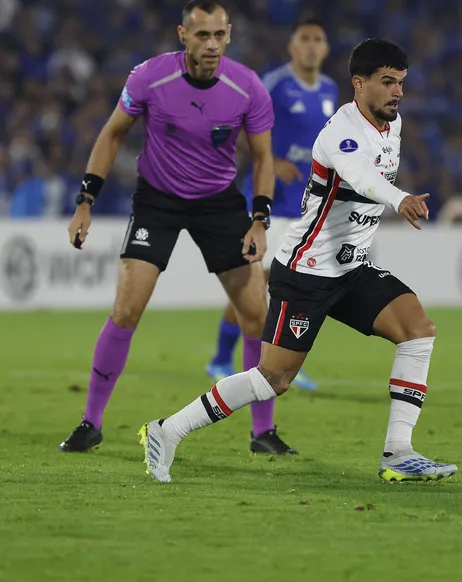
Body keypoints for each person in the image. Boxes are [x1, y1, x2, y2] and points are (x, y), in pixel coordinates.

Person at [138, 38, 459, 483]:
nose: (397, 92)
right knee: (273, 378)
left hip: (350, 268)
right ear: (359, 83)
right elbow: (362, 178)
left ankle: (398, 452)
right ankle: (167, 430)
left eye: (401, 83)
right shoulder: (340, 134)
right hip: (306, 273)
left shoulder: (393, 123)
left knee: (418, 330)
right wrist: (399, 197)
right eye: (387, 82)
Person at [59, 0, 300, 456]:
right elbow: (112, 133)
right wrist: (85, 202)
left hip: (219, 204)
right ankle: (90, 422)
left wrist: (259, 220)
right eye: (202, 35)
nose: (212, 44)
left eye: (220, 35)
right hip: (158, 201)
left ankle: (262, 431)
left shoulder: (246, 87)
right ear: (182, 35)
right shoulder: (150, 77)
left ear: (229, 36)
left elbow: (264, 157)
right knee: (127, 309)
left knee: (256, 315)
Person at [206, 18, 338, 403]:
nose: (312, 46)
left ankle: (284, 362)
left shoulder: (330, 89)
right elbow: (241, 123)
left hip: (306, 204)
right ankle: (219, 358)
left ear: (326, 49)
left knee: (297, 287)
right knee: (259, 281)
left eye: (319, 39)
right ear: (292, 47)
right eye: (305, 39)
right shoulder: (275, 83)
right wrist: (273, 159)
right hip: (269, 200)